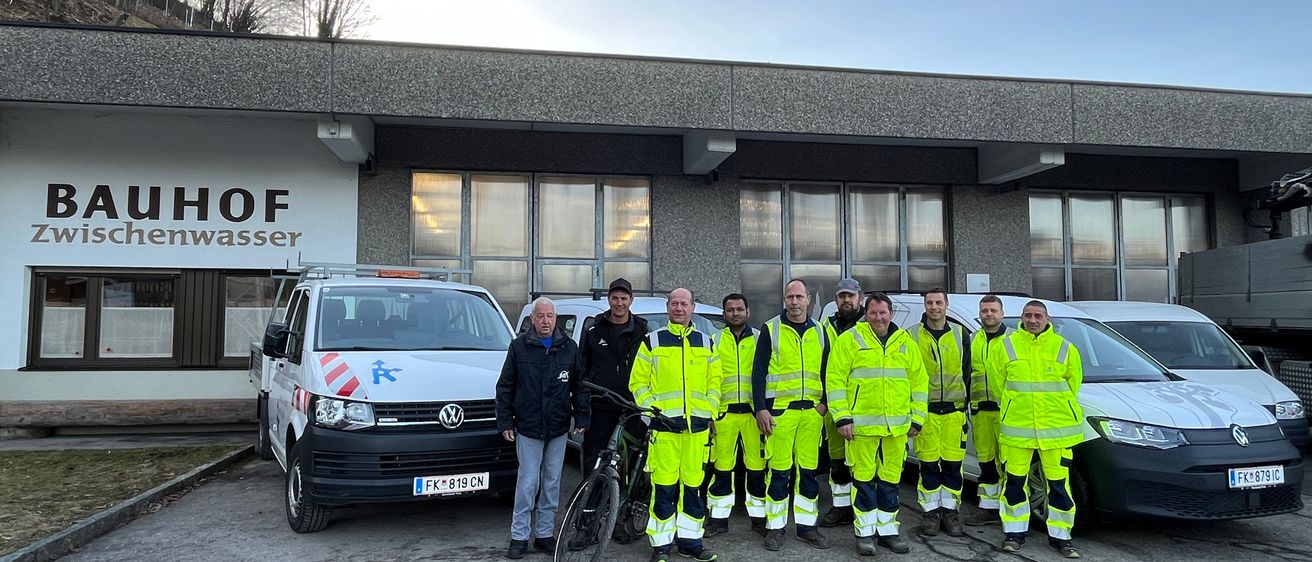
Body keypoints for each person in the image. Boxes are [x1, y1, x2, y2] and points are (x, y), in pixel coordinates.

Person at [826, 292, 926, 556]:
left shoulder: (906, 343)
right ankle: (865, 534)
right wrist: (842, 417)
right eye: (873, 313)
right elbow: (835, 380)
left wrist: (918, 418)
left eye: (883, 313)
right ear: (866, 314)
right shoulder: (851, 340)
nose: (878, 318)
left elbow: (919, 383)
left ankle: (888, 532)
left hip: (896, 428)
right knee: (864, 481)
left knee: (890, 482)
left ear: (891, 314)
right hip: (861, 427)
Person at [630, 288, 722, 562]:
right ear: (668, 308)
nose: (679, 308)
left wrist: (709, 412)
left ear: (693, 307)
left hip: (697, 432)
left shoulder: (707, 343)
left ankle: (691, 543)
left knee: (693, 489)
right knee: (664, 488)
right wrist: (653, 413)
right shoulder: (652, 341)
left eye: (684, 303)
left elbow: (715, 383)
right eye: (674, 303)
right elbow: (638, 383)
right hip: (665, 431)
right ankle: (661, 546)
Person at [495, 297, 589, 559]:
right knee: (527, 484)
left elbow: (579, 386)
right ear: (533, 319)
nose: (545, 321)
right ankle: (519, 536)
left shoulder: (569, 348)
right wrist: (505, 421)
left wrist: (581, 418)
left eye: (550, 316)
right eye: (540, 316)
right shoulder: (519, 347)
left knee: (552, 484)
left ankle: (545, 535)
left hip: (558, 428)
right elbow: (505, 386)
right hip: (528, 427)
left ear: (555, 318)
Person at [993, 300, 1083, 559]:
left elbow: (1073, 384)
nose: (1033, 320)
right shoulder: (1006, 346)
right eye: (1028, 315)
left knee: (1059, 486)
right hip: (1017, 429)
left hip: (1056, 430)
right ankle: (1014, 534)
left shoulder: (1065, 348)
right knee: (1014, 484)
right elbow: (998, 384)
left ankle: (1061, 537)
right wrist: (1014, 408)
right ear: (1021, 317)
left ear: (1047, 318)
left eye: (1038, 316)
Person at [752, 279, 831, 551]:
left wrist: (824, 404)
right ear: (784, 300)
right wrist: (761, 408)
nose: (794, 301)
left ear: (808, 299)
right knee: (778, 473)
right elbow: (759, 372)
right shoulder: (770, 329)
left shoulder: (821, 331)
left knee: (809, 473)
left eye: (799, 296)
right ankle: (775, 528)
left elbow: (828, 373)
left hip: (811, 414)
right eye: (790, 297)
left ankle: (807, 527)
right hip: (779, 415)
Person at [907, 287, 970, 538]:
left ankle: (951, 512)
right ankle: (930, 514)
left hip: (955, 412)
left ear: (946, 304)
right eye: (930, 303)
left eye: (938, 303)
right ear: (925, 305)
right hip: (927, 412)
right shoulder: (911, 335)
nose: (934, 307)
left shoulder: (960, 334)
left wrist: (967, 405)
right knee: (929, 466)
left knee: (954, 467)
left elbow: (968, 372)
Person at [705, 293, 766, 538]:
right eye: (730, 310)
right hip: (724, 415)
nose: (735, 313)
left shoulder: (761, 339)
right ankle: (718, 521)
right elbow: (708, 379)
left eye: (739, 309)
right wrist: (710, 414)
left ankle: (760, 520)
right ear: (724, 314)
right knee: (721, 470)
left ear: (748, 312)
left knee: (758, 469)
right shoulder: (714, 340)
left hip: (754, 415)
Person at [581, 278, 651, 473]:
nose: (619, 303)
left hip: (633, 405)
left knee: (631, 456)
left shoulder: (643, 331)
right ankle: (590, 499)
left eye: (623, 298)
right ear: (608, 299)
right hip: (601, 403)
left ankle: (622, 500)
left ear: (631, 300)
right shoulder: (594, 331)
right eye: (615, 298)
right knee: (594, 454)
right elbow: (583, 367)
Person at [819, 278, 864, 528]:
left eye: (851, 296)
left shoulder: (872, 325)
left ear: (861, 298)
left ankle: (863, 507)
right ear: (836, 300)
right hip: (835, 405)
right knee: (837, 461)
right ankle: (841, 507)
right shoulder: (825, 327)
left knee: (864, 462)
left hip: (865, 407)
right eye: (842, 296)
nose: (847, 300)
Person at [964, 294, 1011, 526]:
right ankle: (988, 509)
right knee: (986, 462)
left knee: (1010, 463)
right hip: (981, 411)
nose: (989, 314)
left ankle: (1010, 508)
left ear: (1002, 313)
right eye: (985, 311)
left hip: (1008, 412)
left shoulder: (1013, 340)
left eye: (993, 310)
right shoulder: (973, 339)